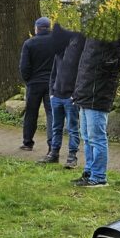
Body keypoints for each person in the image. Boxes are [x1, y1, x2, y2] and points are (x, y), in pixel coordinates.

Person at [70, 36, 120, 188]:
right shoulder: (92, 40)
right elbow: (85, 67)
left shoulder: (111, 42)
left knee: (96, 138)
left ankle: (99, 177)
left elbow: (109, 66)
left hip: (98, 95)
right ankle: (89, 173)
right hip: (86, 94)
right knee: (87, 138)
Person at [40, 26, 84, 167]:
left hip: (70, 98)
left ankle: (72, 157)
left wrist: (75, 95)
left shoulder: (79, 54)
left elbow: (81, 76)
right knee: (56, 127)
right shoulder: (58, 54)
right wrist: (52, 93)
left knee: (73, 128)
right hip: (57, 96)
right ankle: (54, 153)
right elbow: (52, 75)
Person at [18, 17, 58, 151]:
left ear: (37, 28)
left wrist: (28, 80)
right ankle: (52, 145)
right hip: (52, 83)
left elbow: (24, 66)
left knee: (31, 113)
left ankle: (28, 142)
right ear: (49, 27)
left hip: (34, 83)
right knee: (51, 114)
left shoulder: (29, 43)